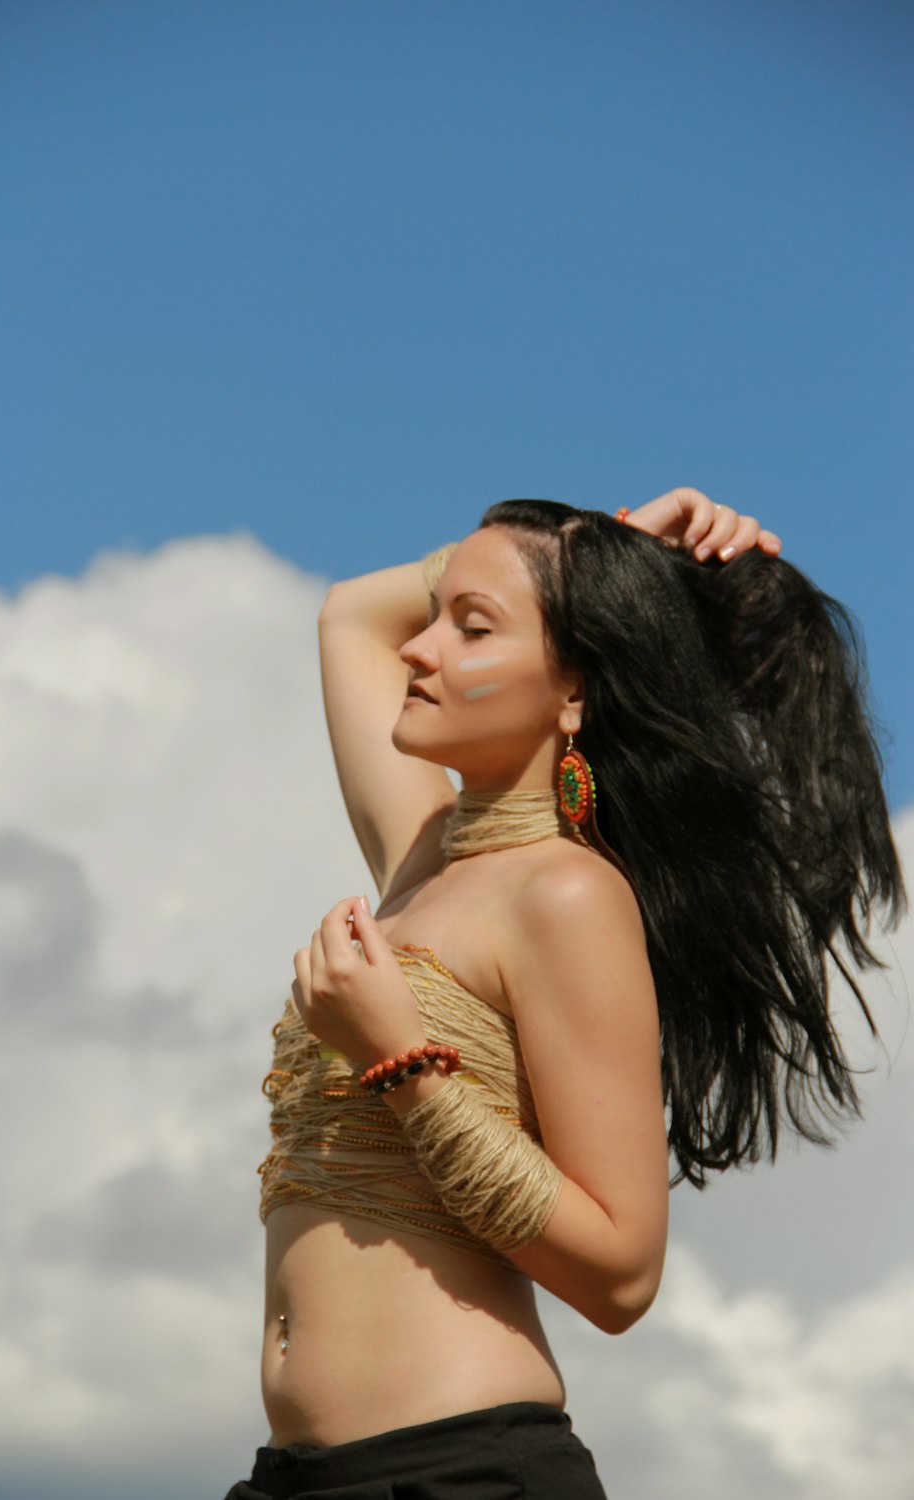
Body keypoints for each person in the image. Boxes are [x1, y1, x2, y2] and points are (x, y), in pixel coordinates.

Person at [223, 488, 904, 1499]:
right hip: (293, 1477)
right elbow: (352, 615)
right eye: (440, 614)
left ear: (574, 691)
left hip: (462, 1471)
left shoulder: (567, 893)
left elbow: (622, 1274)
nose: (421, 648)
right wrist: (601, 550)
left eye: (473, 627)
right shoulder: (423, 858)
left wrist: (402, 1063)